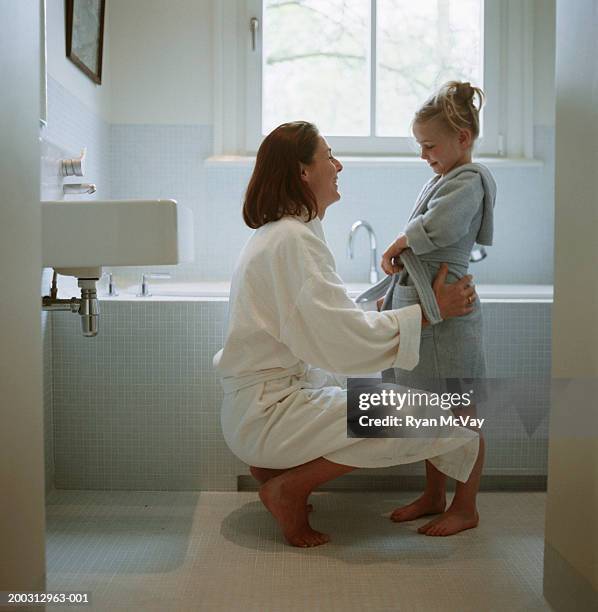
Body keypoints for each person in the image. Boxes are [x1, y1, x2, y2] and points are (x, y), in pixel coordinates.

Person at [213, 121, 483, 548]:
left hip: (259, 403)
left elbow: (318, 319)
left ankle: (276, 472)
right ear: (304, 172)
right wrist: (430, 313)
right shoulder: (291, 241)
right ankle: (288, 487)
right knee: (419, 416)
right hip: (269, 415)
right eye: (328, 156)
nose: (338, 165)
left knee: (374, 390)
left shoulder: (286, 232)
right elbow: (340, 337)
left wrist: (384, 311)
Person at [379, 81, 496, 536]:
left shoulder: (468, 179)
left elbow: (440, 224)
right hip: (431, 311)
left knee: (463, 411)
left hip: (450, 318)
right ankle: (434, 495)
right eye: (420, 146)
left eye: (429, 145)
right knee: (430, 408)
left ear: (462, 138)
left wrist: (400, 241)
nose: (424, 154)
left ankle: (465, 506)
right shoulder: (446, 177)